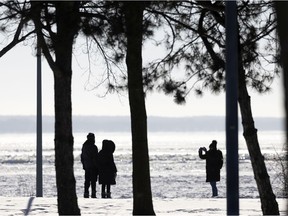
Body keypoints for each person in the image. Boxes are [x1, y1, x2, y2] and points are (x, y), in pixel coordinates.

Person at [81, 133, 99, 198]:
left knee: (87, 180)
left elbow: (82, 157)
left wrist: (83, 164)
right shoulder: (94, 147)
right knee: (93, 181)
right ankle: (93, 193)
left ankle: (86, 192)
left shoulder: (84, 146)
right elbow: (95, 157)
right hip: (93, 166)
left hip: (86, 166)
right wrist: (97, 166)